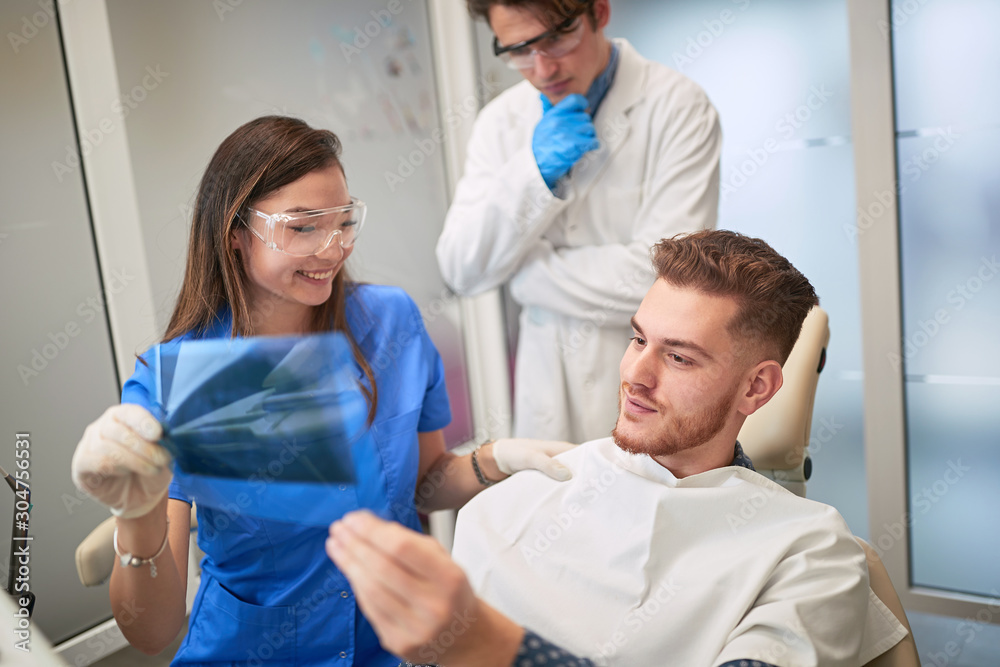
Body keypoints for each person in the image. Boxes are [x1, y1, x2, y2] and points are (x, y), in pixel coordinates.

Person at [70, 116, 576, 665]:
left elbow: (423, 488)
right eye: (303, 227)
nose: (333, 250)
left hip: (391, 645)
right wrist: (137, 518)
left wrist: (497, 460)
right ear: (236, 234)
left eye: (343, 222)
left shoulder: (390, 321)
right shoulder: (180, 377)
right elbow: (152, 631)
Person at [328, 230, 909, 666]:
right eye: (637, 339)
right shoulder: (516, 501)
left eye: (679, 357)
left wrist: (492, 644)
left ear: (757, 387)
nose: (637, 375)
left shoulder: (809, 551)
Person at [436, 0, 722, 443]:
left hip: (645, 380)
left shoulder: (679, 108)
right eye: (519, 50)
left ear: (599, 13)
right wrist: (532, 175)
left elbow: (667, 282)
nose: (542, 68)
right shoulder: (501, 123)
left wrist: (525, 276)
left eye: (555, 39)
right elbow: (461, 268)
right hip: (543, 388)